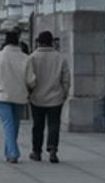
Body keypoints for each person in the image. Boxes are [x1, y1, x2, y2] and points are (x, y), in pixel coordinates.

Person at [0, 29, 35, 163]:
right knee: (14, 125)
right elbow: (30, 80)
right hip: (19, 95)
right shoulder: (25, 58)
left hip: (2, 95)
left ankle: (12, 152)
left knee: (8, 124)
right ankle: (9, 151)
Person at [26, 31, 71, 163]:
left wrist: (30, 91)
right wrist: (64, 92)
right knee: (54, 124)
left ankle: (36, 151)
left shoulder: (32, 58)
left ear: (38, 42)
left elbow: (29, 79)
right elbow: (66, 77)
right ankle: (52, 149)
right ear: (52, 42)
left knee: (37, 125)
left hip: (37, 97)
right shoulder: (60, 57)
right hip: (55, 97)